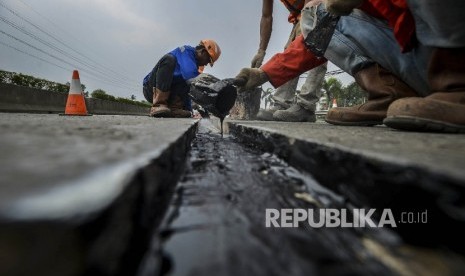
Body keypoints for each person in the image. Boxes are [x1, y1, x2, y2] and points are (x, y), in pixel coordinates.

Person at [236, 0, 421, 126]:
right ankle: (390, 93)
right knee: (313, 28)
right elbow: (268, 17)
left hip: (427, 47)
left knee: (314, 18)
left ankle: (305, 106)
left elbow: (321, 28)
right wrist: (263, 72)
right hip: (415, 56)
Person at [324, 0, 465, 133]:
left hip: (439, 43)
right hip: (420, 52)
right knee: (318, 14)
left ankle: (458, 87)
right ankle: (390, 95)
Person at [251, 0, 328, 122]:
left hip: (322, 8)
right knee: (290, 50)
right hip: (303, 13)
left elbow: (312, 4)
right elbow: (266, 17)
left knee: (316, 47)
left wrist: (305, 21)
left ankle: (306, 107)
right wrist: (261, 51)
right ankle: (282, 103)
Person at [143, 39, 221, 118]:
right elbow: (190, 75)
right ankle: (158, 105)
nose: (207, 63)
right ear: (203, 52)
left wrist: (189, 111)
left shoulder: (194, 67)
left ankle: (174, 109)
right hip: (151, 89)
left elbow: (188, 90)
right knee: (169, 59)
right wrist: (213, 86)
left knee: (187, 82)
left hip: (168, 95)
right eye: (209, 60)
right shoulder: (186, 51)